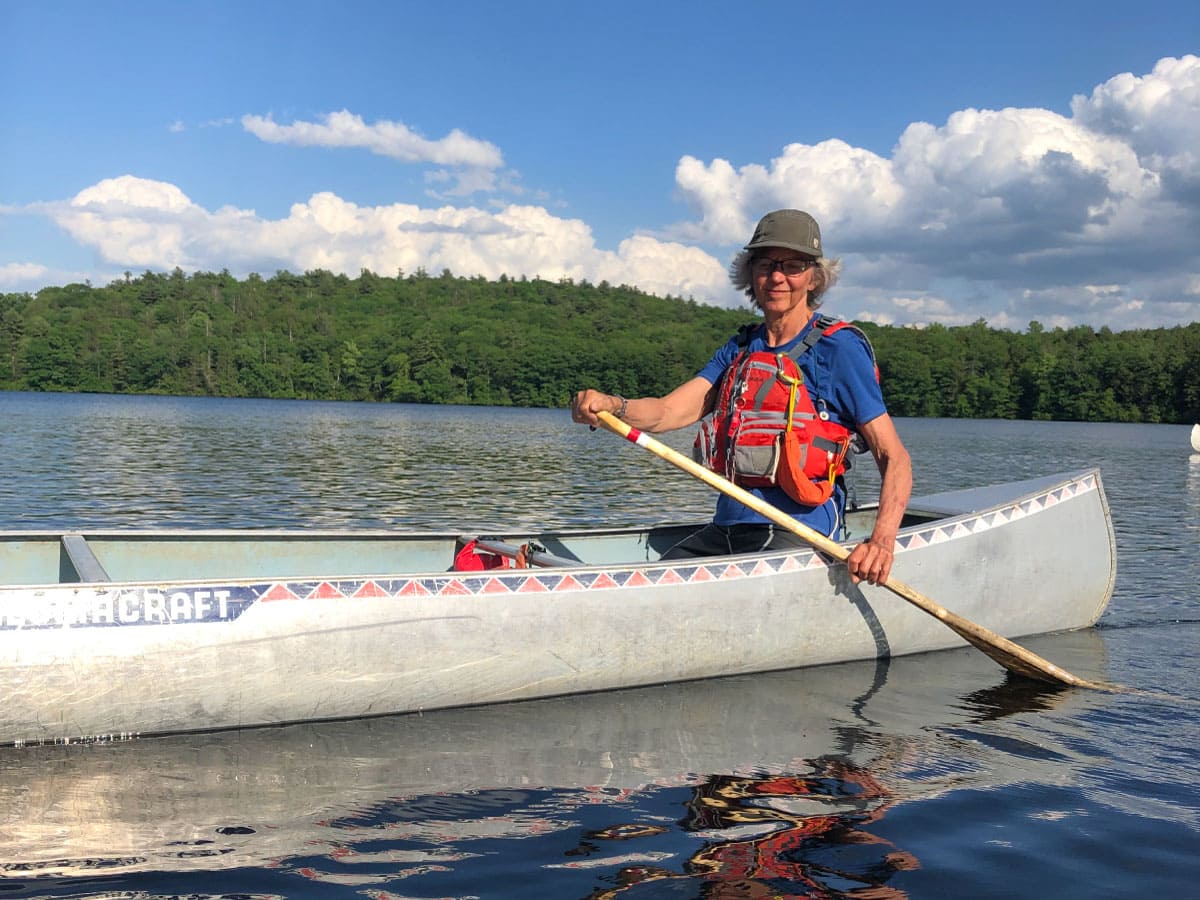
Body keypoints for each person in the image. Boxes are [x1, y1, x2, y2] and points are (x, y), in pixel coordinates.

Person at [571, 209, 912, 586]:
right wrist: (613, 406)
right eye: (766, 265)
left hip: (799, 530)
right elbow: (669, 411)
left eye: (794, 266)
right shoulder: (740, 348)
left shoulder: (838, 349)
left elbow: (893, 456)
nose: (778, 277)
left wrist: (881, 542)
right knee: (649, 584)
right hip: (728, 529)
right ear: (750, 273)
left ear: (814, 277)